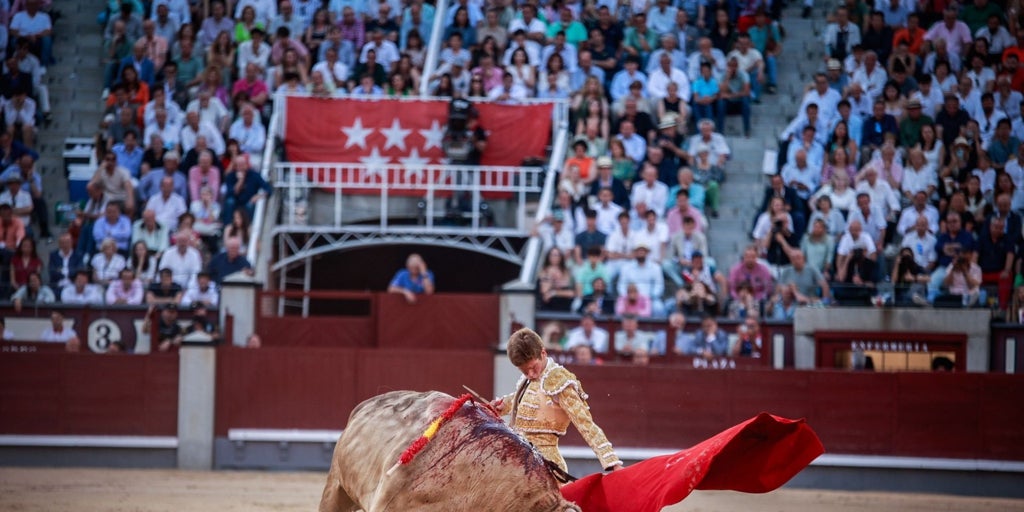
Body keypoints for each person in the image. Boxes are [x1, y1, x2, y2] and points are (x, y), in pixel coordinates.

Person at [492, 327, 623, 473]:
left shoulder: (560, 380)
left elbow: (586, 424)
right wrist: (502, 405)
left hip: (546, 465)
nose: (530, 374)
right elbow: (523, 398)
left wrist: (611, 461)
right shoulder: (530, 379)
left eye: (533, 367)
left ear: (543, 353)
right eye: (524, 371)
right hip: (519, 458)